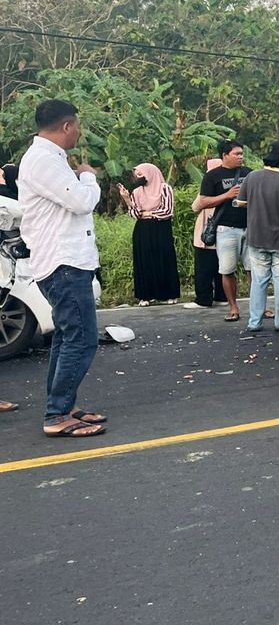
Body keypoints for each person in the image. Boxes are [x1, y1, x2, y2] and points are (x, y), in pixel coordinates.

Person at [17, 99, 106, 437]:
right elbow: (81, 201)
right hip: (63, 262)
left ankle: (64, 406)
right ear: (67, 126)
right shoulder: (42, 160)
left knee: (68, 336)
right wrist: (88, 178)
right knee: (82, 339)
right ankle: (57, 416)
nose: (79, 132)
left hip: (67, 261)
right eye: (78, 126)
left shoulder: (48, 158)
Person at [237, 141, 279, 334]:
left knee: (259, 280)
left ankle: (254, 323)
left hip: (256, 238)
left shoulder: (251, 177)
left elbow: (240, 202)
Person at [196, 140, 249, 322]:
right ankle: (233, 307)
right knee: (227, 270)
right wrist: (226, 195)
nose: (241, 157)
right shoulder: (213, 176)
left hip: (250, 227)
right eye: (236, 154)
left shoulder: (248, 173)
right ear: (224, 155)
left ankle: (261, 306)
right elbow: (202, 202)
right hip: (226, 228)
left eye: (242, 153)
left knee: (255, 270)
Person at [117, 163, 180, 306]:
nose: (138, 178)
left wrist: (148, 213)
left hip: (161, 229)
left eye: (141, 174)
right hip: (142, 230)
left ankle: (168, 294)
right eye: (137, 175)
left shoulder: (164, 188)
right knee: (144, 261)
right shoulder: (137, 191)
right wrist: (127, 199)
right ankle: (146, 295)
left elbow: (167, 211)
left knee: (164, 259)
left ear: (150, 174)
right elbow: (135, 214)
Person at [183, 158, 229, 309]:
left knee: (203, 267)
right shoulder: (232, 185)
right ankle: (222, 297)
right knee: (223, 266)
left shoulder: (209, 185)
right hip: (227, 230)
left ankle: (204, 299)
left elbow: (196, 206)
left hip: (207, 232)